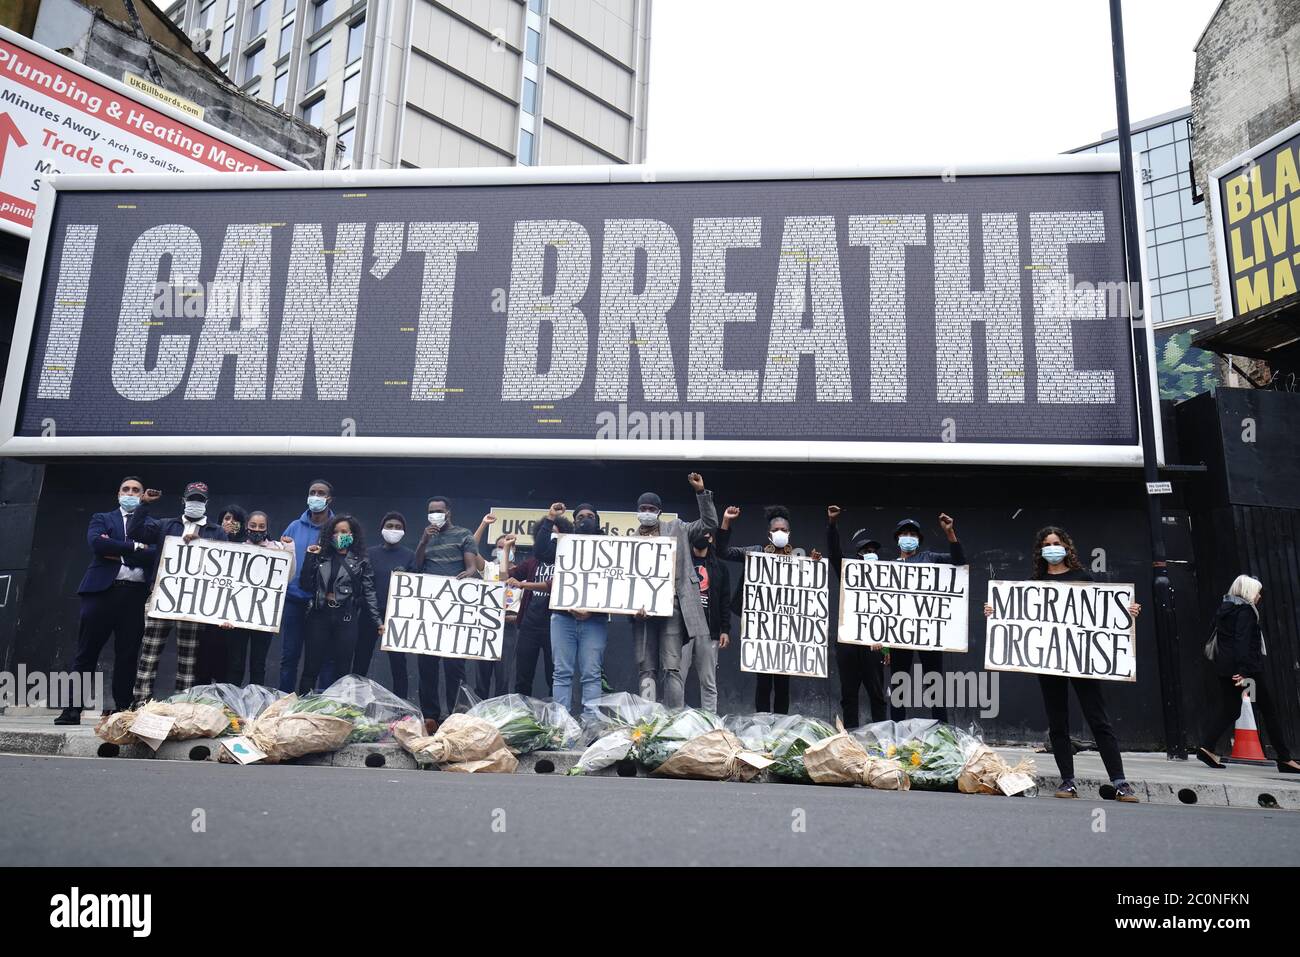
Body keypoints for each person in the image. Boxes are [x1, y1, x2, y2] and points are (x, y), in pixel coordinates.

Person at [984, 525, 1143, 801]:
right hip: (1049, 662)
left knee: (1099, 720)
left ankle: (1120, 782)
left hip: (1082, 660)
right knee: (1058, 722)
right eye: (1047, 544)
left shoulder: (1083, 577)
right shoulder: (1035, 582)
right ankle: (1067, 782)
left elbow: (1103, 611)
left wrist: (1128, 610)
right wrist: (994, 611)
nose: (1052, 548)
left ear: (1066, 547)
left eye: (1056, 542)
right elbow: (1016, 612)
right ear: (1040, 551)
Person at [55, 478, 161, 724]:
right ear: (118, 494)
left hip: (134, 595)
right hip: (101, 593)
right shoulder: (102, 518)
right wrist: (136, 548)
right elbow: (98, 544)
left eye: (136, 490)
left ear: (143, 495)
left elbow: (156, 554)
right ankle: (72, 709)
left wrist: (121, 550)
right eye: (126, 489)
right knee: (86, 652)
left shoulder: (152, 524)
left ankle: (123, 708)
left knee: (127, 654)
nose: (131, 493)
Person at [130, 482, 229, 707]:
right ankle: (140, 704)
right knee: (149, 654)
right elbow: (136, 532)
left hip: (193, 603)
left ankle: (181, 707)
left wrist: (201, 545)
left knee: (188, 658)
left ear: (207, 503)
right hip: (161, 597)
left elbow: (224, 566)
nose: (196, 503)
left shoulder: (217, 531)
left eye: (200, 499)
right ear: (183, 500)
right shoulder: (166, 525)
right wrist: (143, 505)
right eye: (192, 498)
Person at [718, 503, 821, 714]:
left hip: (786, 630)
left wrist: (812, 566)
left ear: (789, 533)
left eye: (784, 530)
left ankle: (781, 727)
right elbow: (723, 552)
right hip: (761, 629)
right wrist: (727, 521)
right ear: (769, 534)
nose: (780, 533)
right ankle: (762, 725)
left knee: (783, 684)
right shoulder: (755, 553)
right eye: (776, 530)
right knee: (763, 683)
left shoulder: (797, 561)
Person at [630, 473, 718, 708]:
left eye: (651, 508)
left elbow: (709, 524)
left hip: (673, 609)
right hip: (642, 614)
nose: (646, 511)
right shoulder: (629, 542)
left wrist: (701, 493)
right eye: (642, 508)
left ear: (659, 511)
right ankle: (647, 721)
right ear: (638, 511)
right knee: (646, 668)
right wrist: (630, 608)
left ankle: (673, 720)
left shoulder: (677, 528)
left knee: (672, 667)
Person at [1196, 575, 1300, 774]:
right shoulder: (1245, 611)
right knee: (1269, 710)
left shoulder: (1224, 609)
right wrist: (1243, 671)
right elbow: (1242, 641)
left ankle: (1206, 747)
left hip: (1225, 668)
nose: (1259, 596)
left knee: (1231, 709)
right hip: (1246, 670)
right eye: (1257, 591)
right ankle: (1285, 759)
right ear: (1248, 592)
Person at [532, 502, 609, 718]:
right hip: (563, 618)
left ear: (597, 521)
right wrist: (550, 519)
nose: (586, 519)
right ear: (574, 522)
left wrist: (591, 611)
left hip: (594, 620)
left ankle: (591, 722)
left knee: (591, 674)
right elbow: (539, 552)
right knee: (562, 673)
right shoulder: (563, 544)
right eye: (581, 516)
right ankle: (561, 723)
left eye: (590, 515)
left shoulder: (610, 546)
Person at [888, 514, 965, 722]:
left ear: (918, 540)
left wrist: (949, 532)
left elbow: (959, 561)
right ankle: (897, 732)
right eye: (904, 534)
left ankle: (941, 731)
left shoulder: (930, 558)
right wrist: (885, 646)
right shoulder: (888, 567)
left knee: (934, 682)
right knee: (898, 685)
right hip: (899, 633)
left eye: (912, 534)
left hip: (928, 630)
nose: (908, 537)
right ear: (897, 538)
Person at [411, 496, 478, 723]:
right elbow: (416, 566)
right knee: (426, 665)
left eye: (439, 510)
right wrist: (422, 542)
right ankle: (430, 715)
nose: (435, 515)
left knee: (454, 667)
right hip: (430, 609)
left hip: (454, 609)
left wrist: (468, 574)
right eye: (431, 511)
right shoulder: (426, 537)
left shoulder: (463, 534)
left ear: (448, 512)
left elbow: (470, 567)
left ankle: (456, 715)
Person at [298, 515, 383, 694]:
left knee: (343, 669)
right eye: (335, 532)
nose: (339, 535)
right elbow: (305, 584)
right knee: (311, 667)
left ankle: (338, 712)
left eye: (344, 532)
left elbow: (369, 592)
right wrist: (309, 557)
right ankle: (302, 708)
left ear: (352, 535)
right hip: (319, 615)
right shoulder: (321, 556)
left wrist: (378, 621)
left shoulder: (361, 561)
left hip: (346, 616)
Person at [827, 505, 888, 724]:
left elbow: (894, 616)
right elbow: (834, 554)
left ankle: (881, 735)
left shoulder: (888, 581)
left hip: (874, 645)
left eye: (873, 551)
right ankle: (851, 736)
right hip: (848, 642)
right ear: (857, 556)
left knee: (877, 694)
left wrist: (887, 646)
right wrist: (832, 524)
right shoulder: (848, 574)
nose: (870, 555)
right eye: (865, 551)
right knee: (849, 695)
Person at [277, 479, 336, 692]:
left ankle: (321, 705)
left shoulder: (338, 528)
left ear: (329, 499)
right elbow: (280, 558)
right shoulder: (294, 526)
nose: (316, 496)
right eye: (313, 492)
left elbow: (348, 558)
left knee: (323, 658)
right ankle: (284, 701)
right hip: (294, 600)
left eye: (321, 493)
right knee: (289, 655)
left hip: (323, 604)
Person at [355, 512, 417, 700]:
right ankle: (354, 701)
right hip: (368, 614)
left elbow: (415, 585)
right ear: (382, 528)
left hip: (396, 616)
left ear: (404, 531)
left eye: (398, 527)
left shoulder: (409, 556)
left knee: (398, 663)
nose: (393, 530)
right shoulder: (369, 553)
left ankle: (402, 706)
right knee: (361, 659)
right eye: (389, 526)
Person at [505, 509, 563, 698]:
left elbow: (552, 586)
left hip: (554, 626)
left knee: (553, 675)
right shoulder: (532, 562)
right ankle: (522, 713)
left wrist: (523, 584)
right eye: (546, 534)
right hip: (529, 625)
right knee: (523, 675)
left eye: (555, 532)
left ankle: (555, 716)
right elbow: (506, 576)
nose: (551, 537)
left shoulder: (566, 561)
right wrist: (506, 549)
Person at [226, 510, 286, 686]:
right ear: (246, 527)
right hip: (237, 613)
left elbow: (287, 578)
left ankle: (255, 703)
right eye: (253, 526)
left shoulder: (278, 549)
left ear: (267, 529)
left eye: (261, 526)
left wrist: (289, 551)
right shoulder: (237, 547)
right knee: (236, 663)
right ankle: (232, 704)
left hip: (263, 614)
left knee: (258, 664)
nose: (257, 530)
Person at [193, 505, 250, 686]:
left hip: (235, 617)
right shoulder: (209, 541)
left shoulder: (251, 547)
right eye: (226, 519)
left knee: (230, 662)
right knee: (205, 658)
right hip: (209, 614)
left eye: (235, 520)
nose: (230, 523)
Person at [679, 528, 730, 712]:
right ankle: (673, 720)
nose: (702, 538)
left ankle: (709, 723)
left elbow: (725, 600)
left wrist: (725, 629)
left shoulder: (720, 567)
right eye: (698, 534)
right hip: (683, 628)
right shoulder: (680, 563)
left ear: (711, 538)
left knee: (708, 681)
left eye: (706, 535)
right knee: (677, 679)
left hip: (709, 630)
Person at [474, 521, 516, 699]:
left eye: (508, 546)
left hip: (508, 628)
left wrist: (517, 616)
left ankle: (501, 713)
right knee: (481, 677)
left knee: (503, 677)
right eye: (500, 546)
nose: (504, 549)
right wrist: (483, 524)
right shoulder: (489, 568)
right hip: (486, 626)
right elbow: (472, 549)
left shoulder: (522, 571)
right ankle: (480, 713)